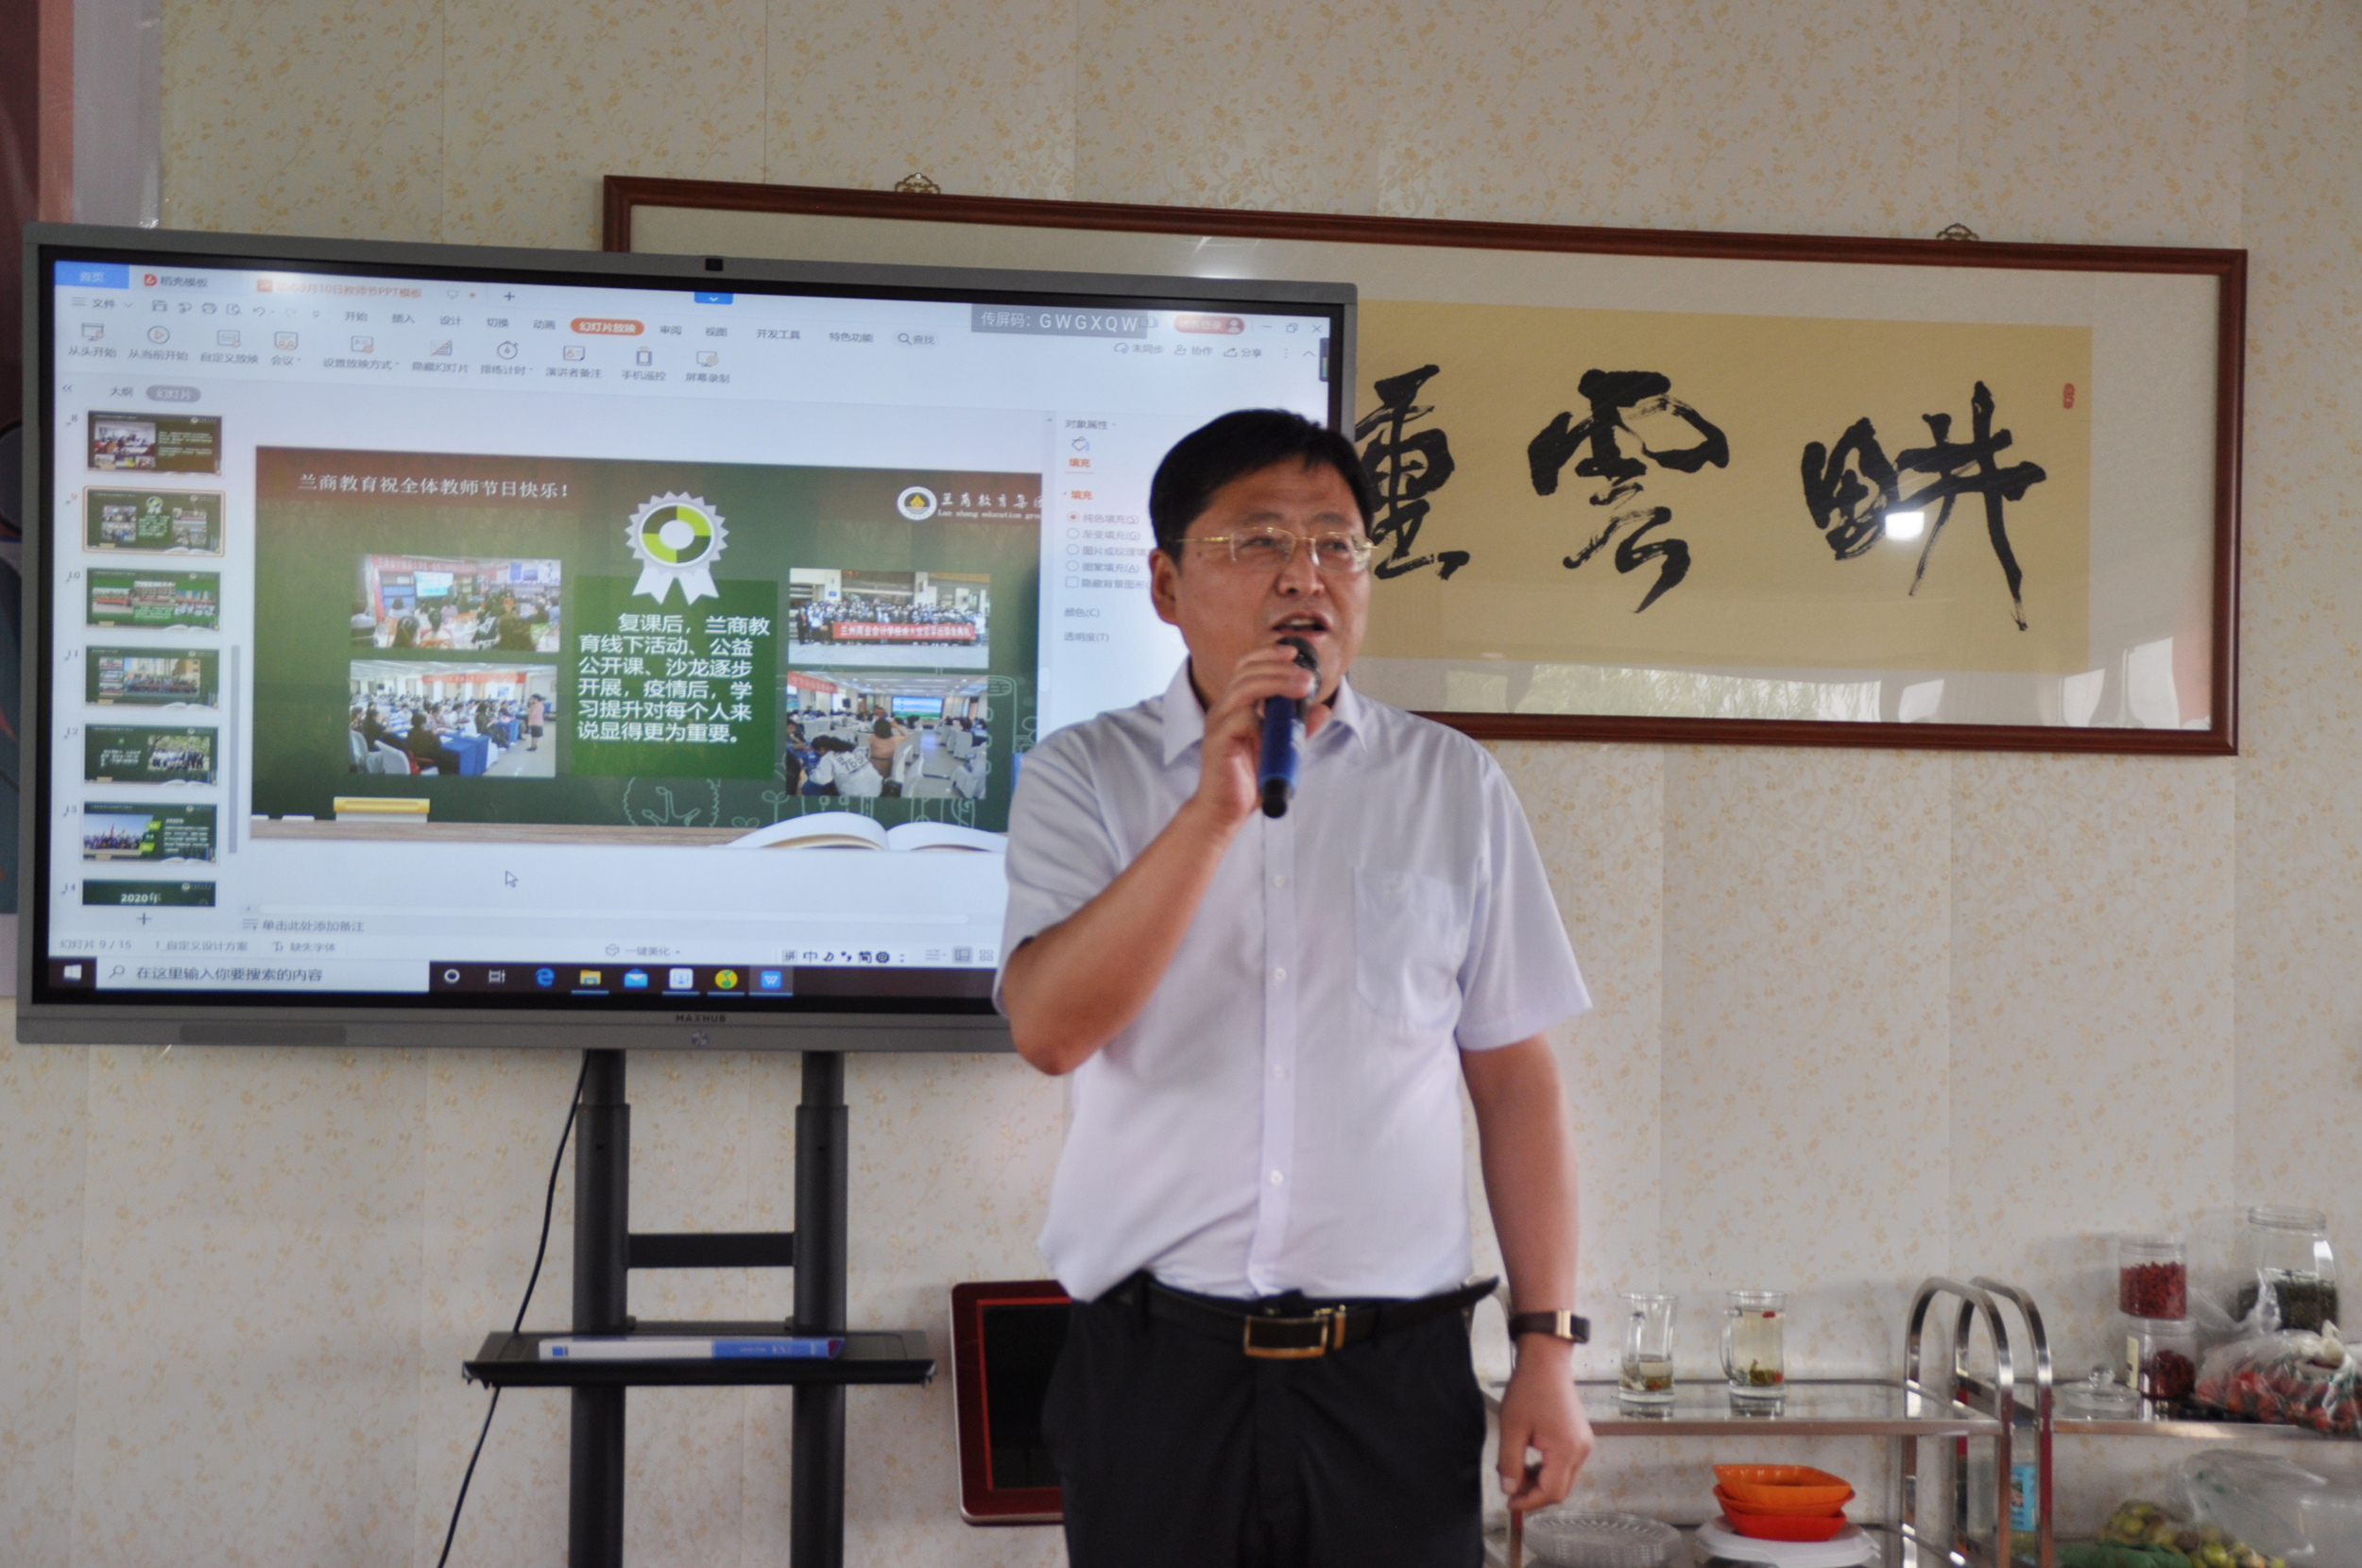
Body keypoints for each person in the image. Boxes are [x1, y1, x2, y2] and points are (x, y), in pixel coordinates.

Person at [997, 409, 1595, 1568]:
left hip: (1392, 1382)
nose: (1304, 576)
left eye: (1336, 544)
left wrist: (1547, 1348)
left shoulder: (1453, 786)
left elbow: (1516, 1084)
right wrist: (1210, 812)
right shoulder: (1084, 775)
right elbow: (1051, 1030)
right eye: (1259, 540)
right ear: (1166, 584)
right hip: (1156, 1375)